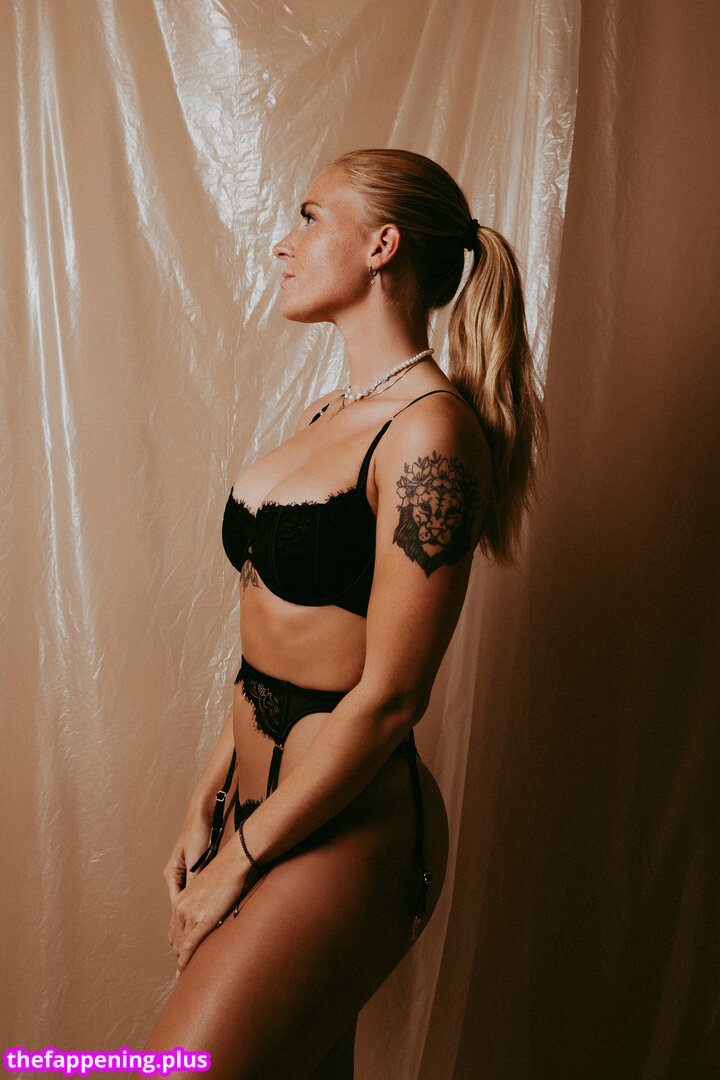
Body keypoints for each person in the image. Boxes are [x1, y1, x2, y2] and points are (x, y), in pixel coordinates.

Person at [144, 148, 545, 1078]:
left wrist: (242, 859)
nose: (283, 244)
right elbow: (271, 639)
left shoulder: (430, 433)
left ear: (382, 245)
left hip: (345, 828)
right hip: (256, 811)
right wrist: (209, 793)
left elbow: (393, 695)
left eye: (310, 217)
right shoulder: (329, 413)